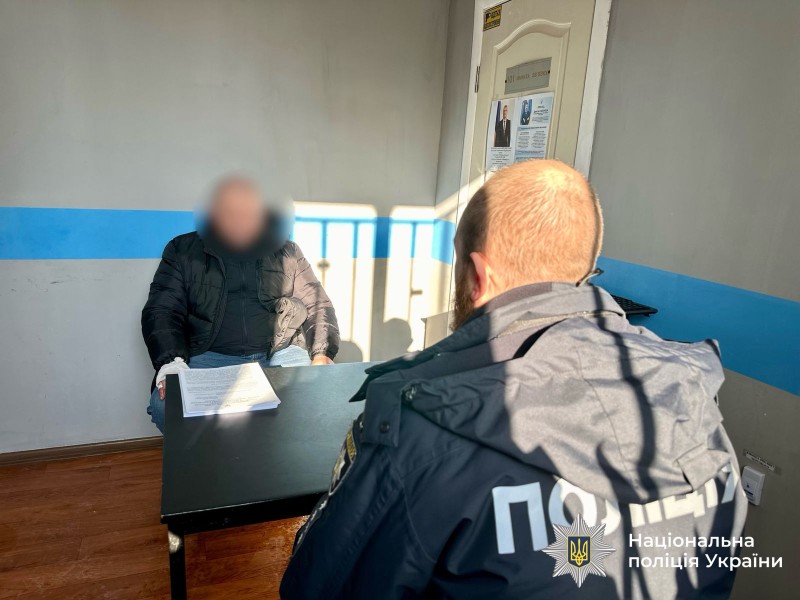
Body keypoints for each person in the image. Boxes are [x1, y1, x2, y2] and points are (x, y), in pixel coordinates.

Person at [280, 160, 747, 599]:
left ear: (477, 276)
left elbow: (317, 586)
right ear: (583, 270)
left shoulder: (424, 431)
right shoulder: (696, 405)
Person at [141, 176, 339, 433]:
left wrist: (322, 353)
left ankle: (271, 455)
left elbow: (317, 304)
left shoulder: (286, 251)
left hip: (280, 351)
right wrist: (172, 362)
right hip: (207, 355)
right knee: (164, 406)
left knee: (321, 397)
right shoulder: (183, 250)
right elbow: (162, 310)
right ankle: (218, 457)